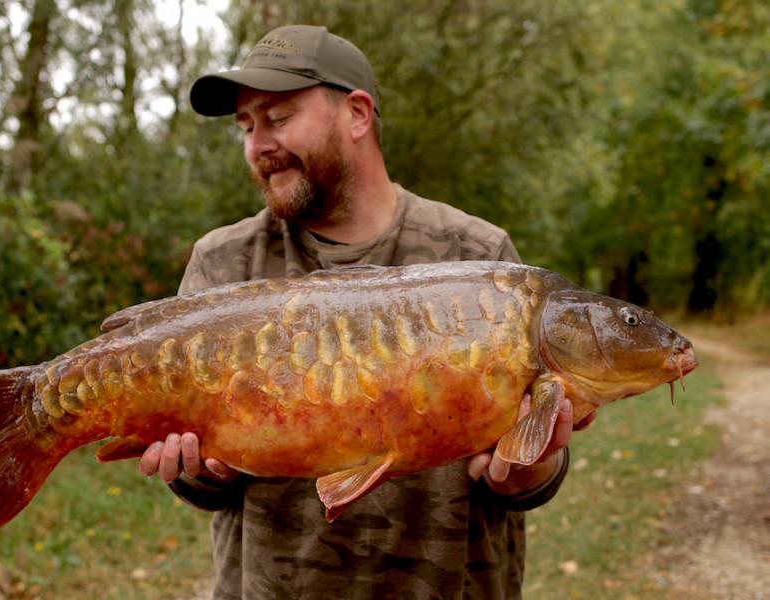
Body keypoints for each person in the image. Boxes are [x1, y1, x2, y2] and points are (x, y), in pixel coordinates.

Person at [139, 24, 592, 599]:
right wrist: (203, 470)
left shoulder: (477, 255)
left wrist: (528, 468)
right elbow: (209, 489)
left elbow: (531, 474)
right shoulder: (226, 262)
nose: (257, 145)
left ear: (357, 115)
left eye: (277, 118)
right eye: (246, 127)